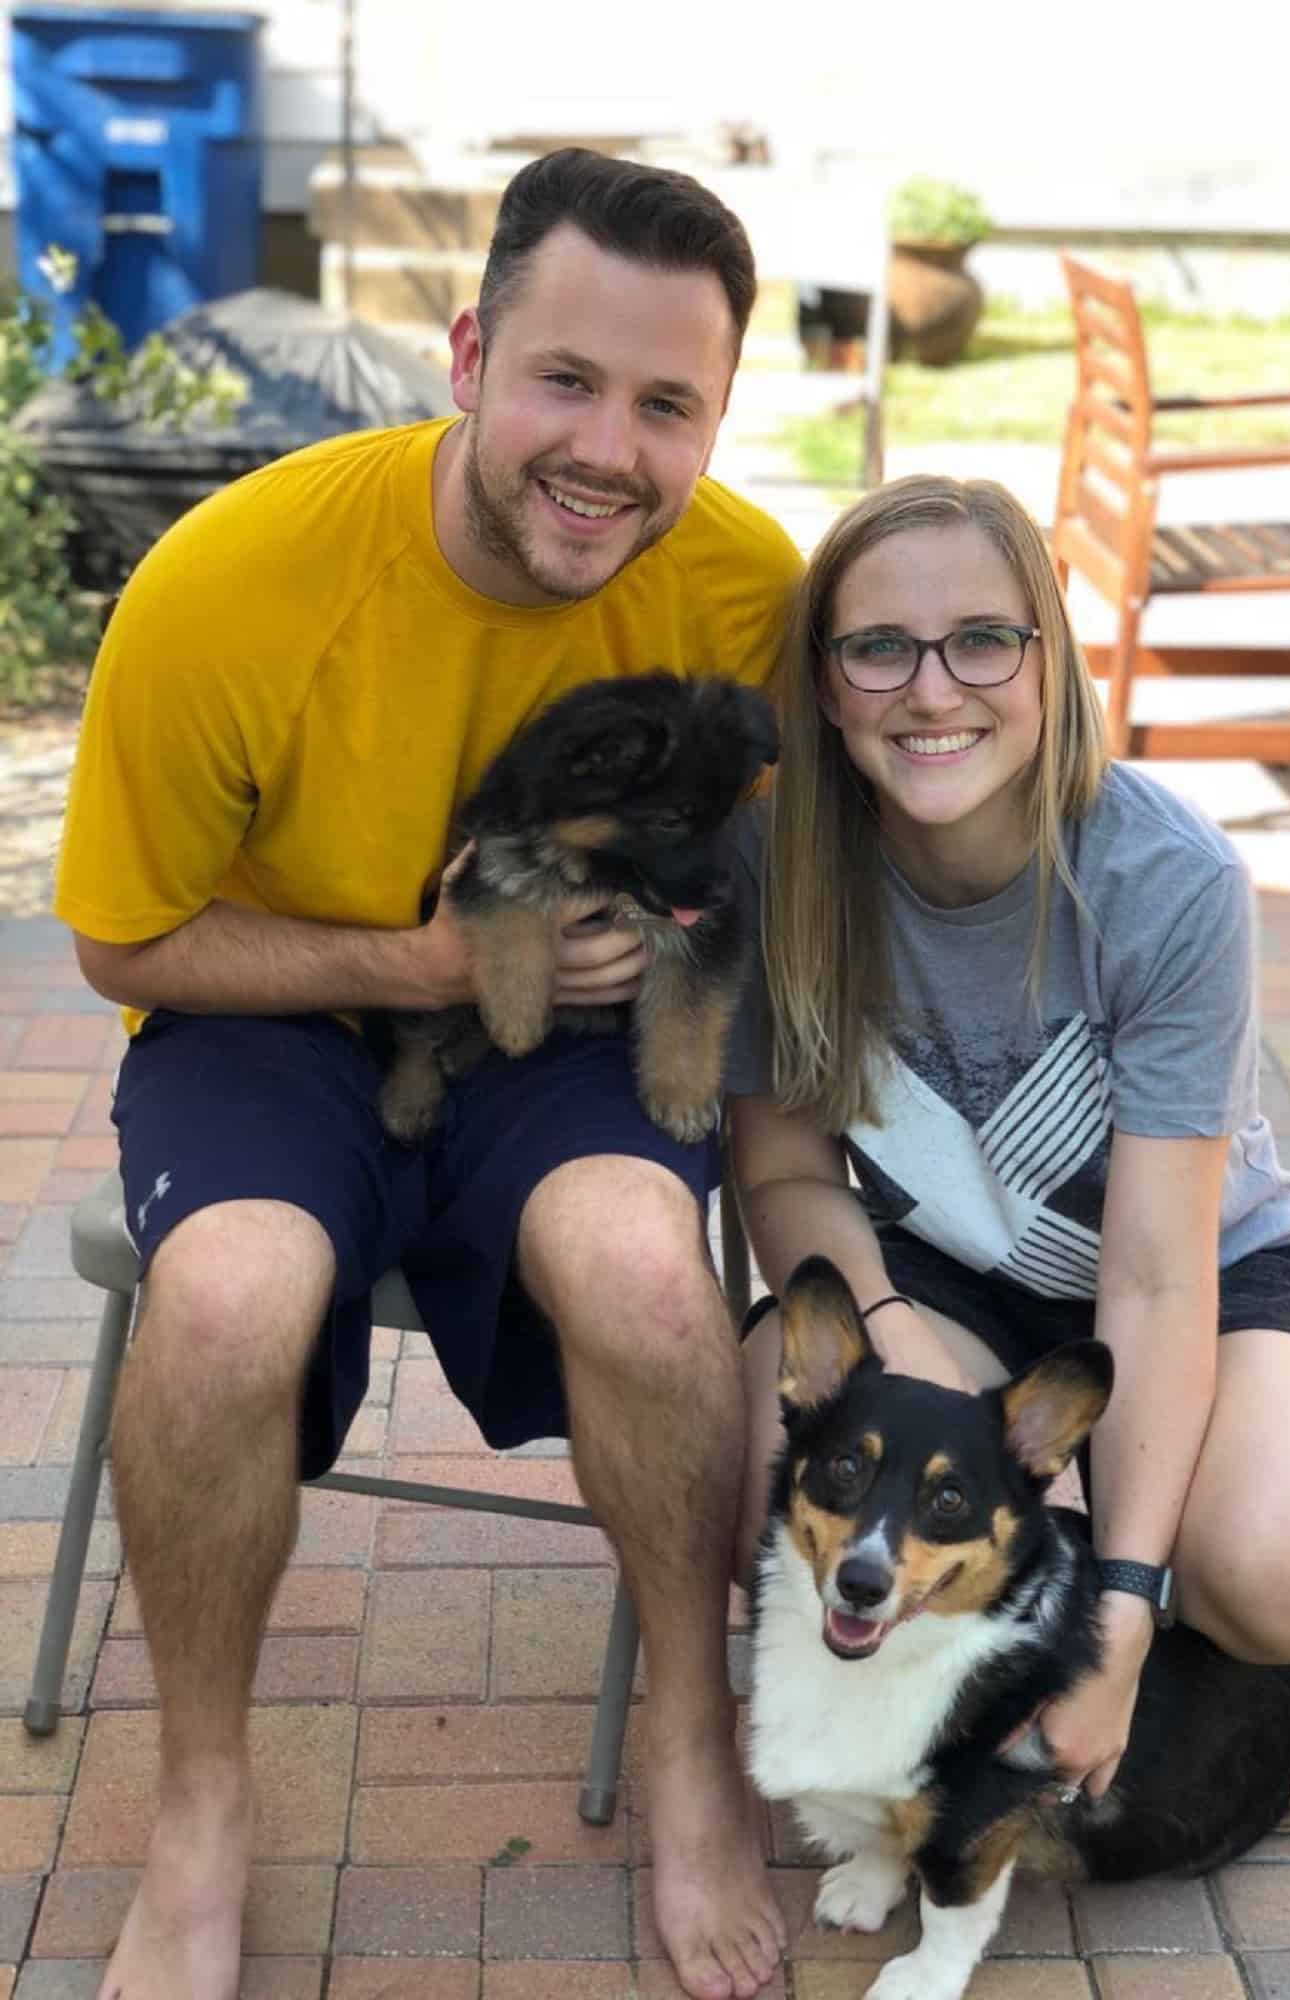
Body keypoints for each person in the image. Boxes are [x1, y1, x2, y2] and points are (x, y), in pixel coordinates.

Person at [54, 148, 800, 2000]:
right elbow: (120, 943)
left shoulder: (740, 588)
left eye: (664, 405)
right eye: (565, 378)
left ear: (713, 420)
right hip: (274, 1015)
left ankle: (694, 1750)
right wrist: (417, 963)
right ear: (468, 355)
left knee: (643, 1269)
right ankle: (204, 1800)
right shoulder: (232, 586)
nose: (607, 449)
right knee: (222, 1305)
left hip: (570, 1025)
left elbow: (802, 866)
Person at [725, 473, 1290, 1837]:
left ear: (1052, 656)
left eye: (983, 639)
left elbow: (1157, 1283)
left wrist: (1120, 1625)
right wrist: (880, 1330)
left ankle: (1237, 1603)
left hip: (1192, 1271)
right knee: (774, 1492)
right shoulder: (779, 868)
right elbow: (787, 1175)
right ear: (826, 680)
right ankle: (1081, 1546)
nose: (934, 691)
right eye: (880, 648)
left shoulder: (1165, 880)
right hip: (940, 1274)